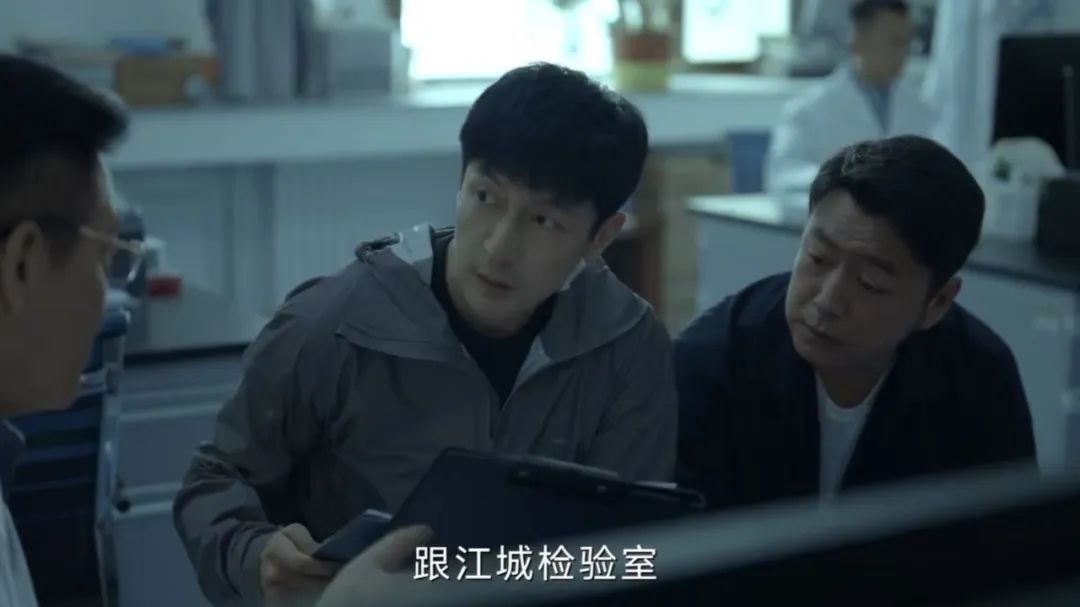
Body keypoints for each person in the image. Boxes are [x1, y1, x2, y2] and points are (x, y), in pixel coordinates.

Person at [174, 62, 677, 607]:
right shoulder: (331, 322)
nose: (498, 247)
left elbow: (632, 551)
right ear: (460, 182)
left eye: (543, 222)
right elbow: (214, 479)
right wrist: (255, 557)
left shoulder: (628, 346)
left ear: (601, 236)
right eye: (485, 198)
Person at [676, 136, 1035, 511]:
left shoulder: (978, 376)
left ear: (938, 302)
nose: (828, 301)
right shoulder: (707, 362)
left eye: (870, 284)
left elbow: (1013, 535)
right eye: (818, 258)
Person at [766, 0, 935, 198]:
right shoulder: (809, 109)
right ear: (858, 40)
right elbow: (783, 176)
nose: (903, 54)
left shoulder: (921, 108)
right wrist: (842, 178)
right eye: (894, 41)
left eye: (907, 43)